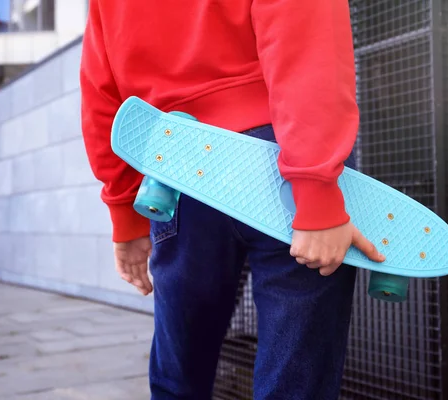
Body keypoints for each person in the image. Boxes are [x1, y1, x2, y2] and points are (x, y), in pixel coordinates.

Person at [80, 0, 385, 398]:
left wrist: (125, 214)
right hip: (280, 156)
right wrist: (317, 191)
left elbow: (101, 91)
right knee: (295, 386)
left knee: (179, 380)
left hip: (176, 167)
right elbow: (306, 37)